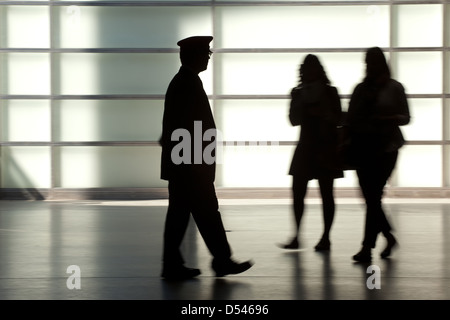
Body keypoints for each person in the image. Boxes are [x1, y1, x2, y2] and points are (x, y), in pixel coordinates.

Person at [159, 36, 253, 280]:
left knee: (184, 214)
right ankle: (219, 260)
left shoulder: (183, 82)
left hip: (186, 164)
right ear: (195, 56)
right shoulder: (188, 83)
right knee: (205, 213)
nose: (209, 56)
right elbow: (191, 128)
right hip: (191, 165)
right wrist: (200, 163)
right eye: (206, 52)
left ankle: (177, 264)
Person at [347, 47, 410, 262]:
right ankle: (387, 237)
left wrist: (386, 118)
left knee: (372, 197)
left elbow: (405, 117)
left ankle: (368, 247)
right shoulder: (374, 89)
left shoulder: (388, 88)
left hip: (383, 148)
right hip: (371, 147)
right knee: (372, 197)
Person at [280, 54, 343, 251]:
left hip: (309, 147)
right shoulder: (328, 92)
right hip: (322, 147)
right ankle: (324, 237)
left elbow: (294, 120)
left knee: (304, 193)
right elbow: (338, 118)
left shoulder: (300, 93)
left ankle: (301, 235)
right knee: (323, 194)